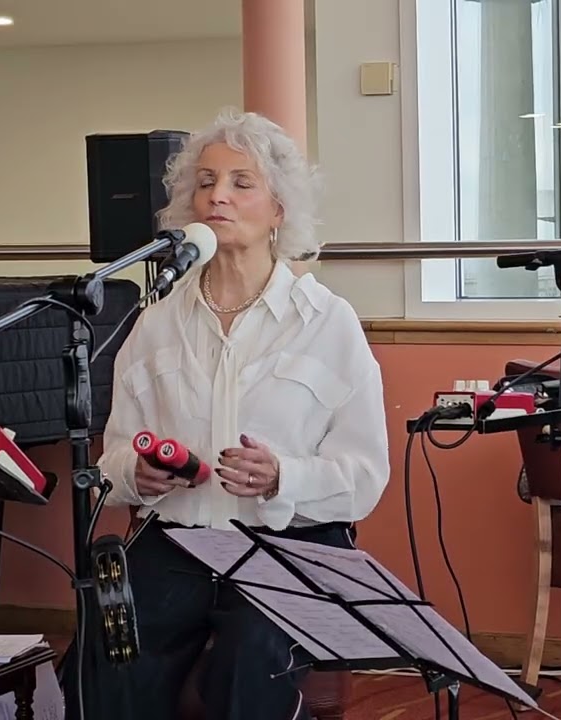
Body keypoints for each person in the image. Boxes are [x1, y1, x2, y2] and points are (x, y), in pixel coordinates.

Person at [58, 108, 391, 720]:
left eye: (243, 182)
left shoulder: (328, 322)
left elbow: (364, 474)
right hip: (176, 542)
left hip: (291, 547)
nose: (219, 196)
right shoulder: (156, 322)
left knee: (249, 665)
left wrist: (283, 476)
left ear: (280, 209)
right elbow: (115, 452)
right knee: (105, 658)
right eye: (206, 182)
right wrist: (136, 473)